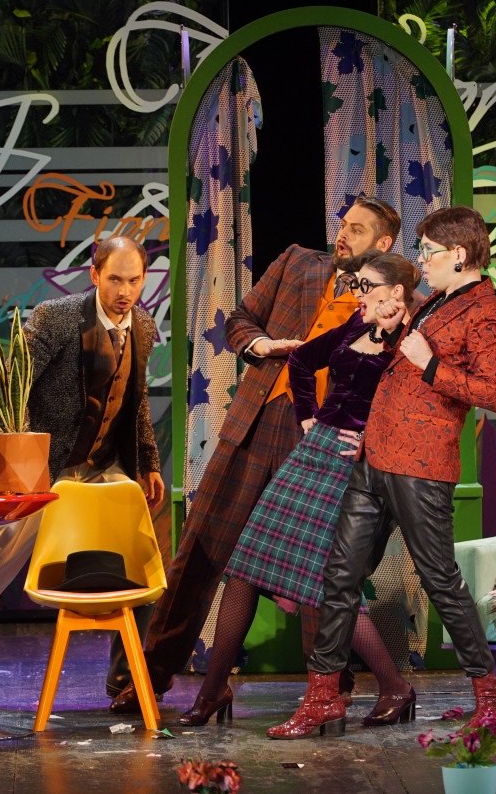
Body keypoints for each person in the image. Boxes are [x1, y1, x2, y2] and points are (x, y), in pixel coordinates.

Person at [111, 196, 402, 713]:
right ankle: (150, 676)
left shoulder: (388, 299)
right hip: (256, 422)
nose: (343, 234)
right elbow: (241, 318)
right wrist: (261, 345)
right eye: (343, 224)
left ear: (383, 242)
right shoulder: (296, 261)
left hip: (319, 438)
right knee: (202, 549)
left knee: (313, 565)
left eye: (358, 230)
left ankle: (329, 686)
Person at [267, 205, 496, 739]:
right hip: (372, 458)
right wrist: (387, 329)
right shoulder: (436, 303)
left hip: (421, 466)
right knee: (339, 575)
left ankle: (491, 697)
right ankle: (322, 697)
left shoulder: (487, 314)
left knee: (439, 579)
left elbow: (494, 392)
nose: (421, 261)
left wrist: (430, 363)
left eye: (429, 252)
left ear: (459, 254)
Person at [178, 253, 422, 728]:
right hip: (313, 454)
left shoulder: (411, 342)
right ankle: (213, 692)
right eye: (355, 284)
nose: (355, 293)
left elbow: (415, 410)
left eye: (366, 285)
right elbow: (303, 360)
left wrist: (372, 438)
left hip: (354, 468)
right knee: (244, 568)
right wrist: (307, 416)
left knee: (329, 583)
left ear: (395, 292)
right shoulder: (358, 324)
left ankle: (393, 685)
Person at [0, 235, 164, 691]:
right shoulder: (56, 318)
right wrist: (22, 457)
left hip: (104, 464)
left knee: (140, 554)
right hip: (47, 464)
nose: (124, 291)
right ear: (95, 275)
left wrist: (149, 463)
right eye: (114, 279)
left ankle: (125, 676)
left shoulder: (142, 325)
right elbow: (15, 389)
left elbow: (135, 402)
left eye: (134, 280)